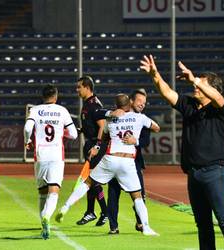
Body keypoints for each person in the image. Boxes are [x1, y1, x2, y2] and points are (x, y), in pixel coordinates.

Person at [140, 55, 224, 249]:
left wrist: (195, 79)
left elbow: (218, 98)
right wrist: (155, 75)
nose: (195, 87)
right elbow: (168, 93)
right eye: (196, 84)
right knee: (203, 224)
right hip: (193, 173)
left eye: (201, 85)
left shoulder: (219, 108)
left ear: (211, 88)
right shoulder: (189, 104)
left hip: (215, 171)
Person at [55, 94, 160, 236]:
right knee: (137, 197)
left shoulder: (110, 119)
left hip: (110, 159)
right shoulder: (140, 118)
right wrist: (136, 139)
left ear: (116, 106)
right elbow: (156, 127)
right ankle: (146, 227)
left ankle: (66, 206)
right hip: (127, 161)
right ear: (130, 103)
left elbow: (103, 136)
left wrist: (98, 145)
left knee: (87, 183)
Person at [24, 84, 78, 239]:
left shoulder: (34, 110)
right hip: (56, 155)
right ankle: (48, 216)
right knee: (54, 190)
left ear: (43, 97)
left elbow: (28, 128)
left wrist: (27, 141)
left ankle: (43, 223)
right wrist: (62, 132)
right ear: (56, 96)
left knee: (42, 192)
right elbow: (74, 134)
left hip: (40, 155)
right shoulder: (62, 111)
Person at [107, 89, 151, 234]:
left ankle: (140, 223)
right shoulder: (115, 116)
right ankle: (114, 227)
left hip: (134, 162)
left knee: (140, 194)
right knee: (113, 193)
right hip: (116, 159)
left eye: (144, 103)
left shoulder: (143, 119)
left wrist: (135, 141)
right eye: (139, 101)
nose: (142, 105)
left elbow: (146, 141)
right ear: (131, 101)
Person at [75, 75, 109, 226]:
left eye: (79, 87)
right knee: (90, 179)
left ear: (87, 88)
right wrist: (82, 129)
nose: (77, 90)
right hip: (91, 142)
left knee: (93, 180)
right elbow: (93, 124)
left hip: (95, 145)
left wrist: (97, 146)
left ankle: (104, 212)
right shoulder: (88, 103)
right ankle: (91, 212)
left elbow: (102, 125)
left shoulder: (93, 104)